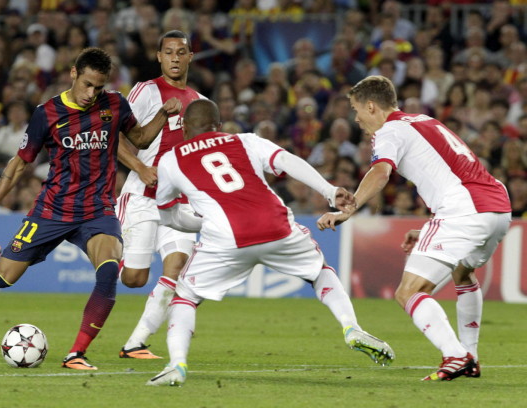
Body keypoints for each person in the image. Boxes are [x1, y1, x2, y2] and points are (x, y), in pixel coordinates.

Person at [0, 47, 182, 371]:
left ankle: (76, 354)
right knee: (3, 279)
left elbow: (140, 139)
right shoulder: (47, 113)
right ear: (73, 73)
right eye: (87, 84)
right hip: (52, 209)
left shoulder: (114, 104)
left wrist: (163, 115)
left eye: (98, 87)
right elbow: (19, 165)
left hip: (97, 209)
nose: (91, 94)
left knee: (110, 269)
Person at [146, 99, 395, 386]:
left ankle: (177, 364)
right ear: (218, 126)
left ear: (185, 128)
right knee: (320, 272)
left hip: (226, 238)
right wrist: (329, 190)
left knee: (185, 297)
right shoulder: (246, 140)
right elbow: (287, 162)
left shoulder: (170, 159)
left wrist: (203, 223)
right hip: (276, 226)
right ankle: (351, 327)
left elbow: (168, 215)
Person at [317, 75, 512, 381]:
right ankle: (470, 355)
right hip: (497, 207)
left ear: (371, 106)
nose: (356, 118)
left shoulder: (389, 131)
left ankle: (456, 356)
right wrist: (429, 227)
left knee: (409, 291)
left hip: (464, 210)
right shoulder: (424, 121)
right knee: (463, 273)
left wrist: (346, 211)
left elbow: (380, 173)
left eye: (356, 110)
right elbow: (452, 174)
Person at [115, 30, 206, 360]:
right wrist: (140, 168)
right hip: (142, 194)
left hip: (177, 201)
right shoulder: (146, 90)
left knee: (177, 268)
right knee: (134, 279)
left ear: (190, 56)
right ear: (158, 56)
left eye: (181, 52)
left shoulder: (199, 103)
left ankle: (135, 343)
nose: (175, 58)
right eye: (169, 52)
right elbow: (120, 137)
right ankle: (97, 241)